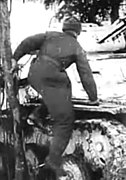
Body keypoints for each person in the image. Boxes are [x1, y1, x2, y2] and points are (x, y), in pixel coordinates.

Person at [12, 16, 98, 177]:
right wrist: (93, 97)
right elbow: (85, 74)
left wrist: (14, 58)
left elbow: (28, 42)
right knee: (65, 119)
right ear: (77, 32)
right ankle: (53, 160)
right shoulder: (77, 47)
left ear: (64, 28)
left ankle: (37, 114)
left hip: (34, 74)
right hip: (52, 77)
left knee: (59, 94)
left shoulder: (50, 35)